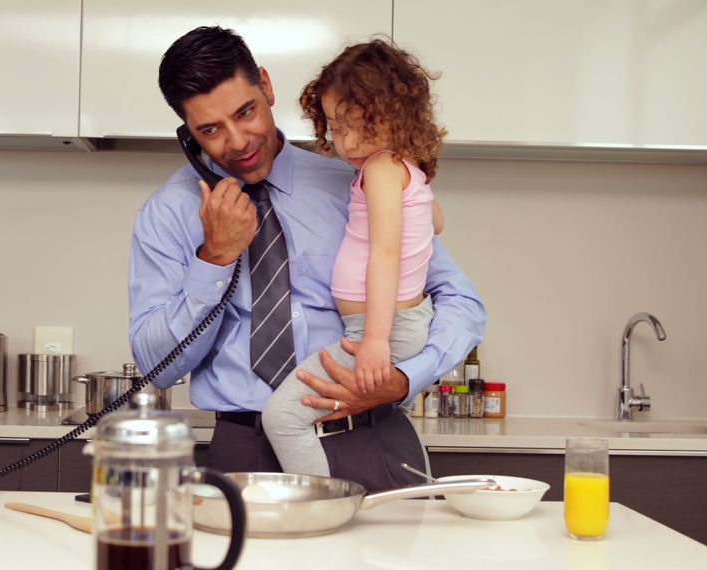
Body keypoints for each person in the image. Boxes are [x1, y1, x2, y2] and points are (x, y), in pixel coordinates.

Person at [129, 26, 485, 491]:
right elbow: (158, 367)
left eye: (245, 111)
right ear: (187, 133)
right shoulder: (168, 213)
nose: (237, 142)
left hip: (370, 440)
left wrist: (404, 378)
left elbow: (461, 300)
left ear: (266, 85)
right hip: (243, 450)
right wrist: (214, 257)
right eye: (210, 130)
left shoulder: (355, 182)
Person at [261, 39, 447, 477]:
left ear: (392, 116)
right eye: (334, 126)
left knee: (283, 419)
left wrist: (375, 343)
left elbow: (385, 254)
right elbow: (436, 222)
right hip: (387, 326)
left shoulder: (382, 170)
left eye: (353, 126)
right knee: (293, 416)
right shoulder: (404, 169)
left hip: (379, 331)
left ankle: (314, 505)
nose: (343, 143)